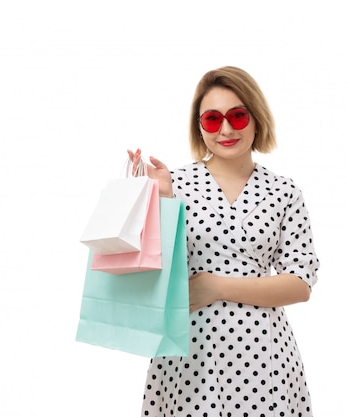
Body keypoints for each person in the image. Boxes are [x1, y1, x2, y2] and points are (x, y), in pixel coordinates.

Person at [128, 66, 320, 417]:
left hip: (265, 360)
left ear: (256, 119)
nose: (227, 129)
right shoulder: (175, 183)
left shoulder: (284, 192)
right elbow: (153, 279)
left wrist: (216, 287)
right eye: (213, 120)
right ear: (200, 127)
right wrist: (163, 200)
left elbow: (300, 283)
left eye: (237, 116)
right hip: (188, 357)